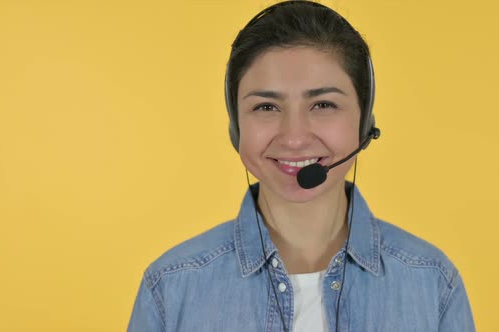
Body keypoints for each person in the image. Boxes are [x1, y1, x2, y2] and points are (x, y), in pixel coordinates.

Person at [127, 1, 475, 331]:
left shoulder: (432, 283)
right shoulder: (170, 288)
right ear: (236, 126)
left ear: (364, 123)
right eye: (266, 107)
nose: (294, 138)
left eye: (323, 104)